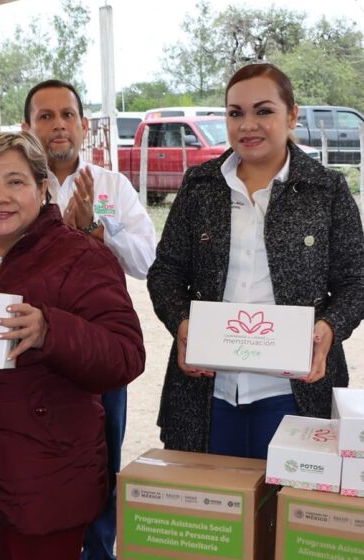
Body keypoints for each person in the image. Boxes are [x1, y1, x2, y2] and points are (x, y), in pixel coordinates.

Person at [0, 132, 145, 559]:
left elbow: (125, 356)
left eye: (16, 182)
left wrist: (49, 330)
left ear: (42, 189)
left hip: (47, 478)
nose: (0, 196)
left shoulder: (81, 258)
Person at [147, 63, 364, 457]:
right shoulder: (200, 186)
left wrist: (330, 327)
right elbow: (166, 273)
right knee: (211, 515)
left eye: (263, 111)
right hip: (205, 393)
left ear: (292, 114)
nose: (248, 125)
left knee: (288, 514)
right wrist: (181, 322)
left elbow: (356, 281)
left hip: (295, 392)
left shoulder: (326, 190)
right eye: (236, 113)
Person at [21, 79, 155, 560]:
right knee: (35, 461)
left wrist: (99, 231)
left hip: (100, 350)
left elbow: (145, 259)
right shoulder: (15, 187)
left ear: (83, 125)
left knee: (101, 459)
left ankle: (99, 552)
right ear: (26, 127)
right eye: (45, 116)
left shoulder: (111, 186)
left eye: (66, 115)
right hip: (28, 354)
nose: (58, 125)